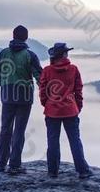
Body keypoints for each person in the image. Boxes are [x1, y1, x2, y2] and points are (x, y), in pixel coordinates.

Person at [0, 25, 42, 175]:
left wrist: (5, 84)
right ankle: (14, 164)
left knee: (5, 129)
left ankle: (1, 163)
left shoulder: (4, 53)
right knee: (19, 131)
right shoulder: (30, 55)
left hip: (7, 97)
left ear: (13, 35)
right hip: (24, 97)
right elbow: (39, 76)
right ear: (26, 37)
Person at [39, 42, 93, 179]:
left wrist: (47, 104)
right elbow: (78, 91)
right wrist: (77, 107)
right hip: (70, 110)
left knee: (52, 141)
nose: (68, 54)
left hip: (52, 111)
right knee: (75, 140)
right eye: (66, 52)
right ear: (63, 54)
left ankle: (52, 171)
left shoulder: (47, 70)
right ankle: (82, 170)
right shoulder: (74, 69)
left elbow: (43, 91)